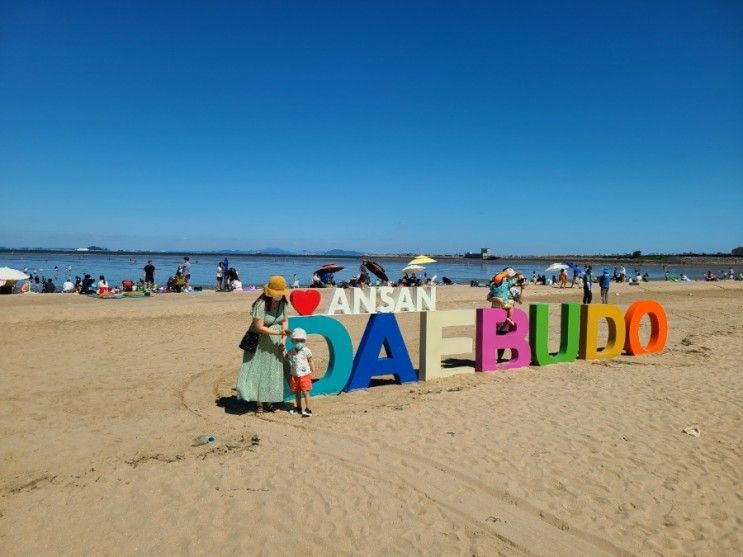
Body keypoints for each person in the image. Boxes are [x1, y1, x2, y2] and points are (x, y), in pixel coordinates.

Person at [235, 275, 291, 414]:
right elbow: (259, 327)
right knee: (259, 371)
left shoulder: (283, 303)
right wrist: (279, 334)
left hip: (275, 342)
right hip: (259, 341)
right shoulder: (261, 304)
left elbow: (285, 321)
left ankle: (269, 400)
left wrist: (283, 339)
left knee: (273, 372)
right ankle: (259, 402)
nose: (278, 296)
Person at [285, 328, 315, 417]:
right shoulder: (291, 351)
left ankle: (308, 410)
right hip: (295, 375)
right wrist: (283, 349)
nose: (299, 342)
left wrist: (313, 372)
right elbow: (286, 358)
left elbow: (311, 361)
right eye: (296, 340)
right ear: (292, 341)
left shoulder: (306, 350)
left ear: (304, 340)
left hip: (305, 375)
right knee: (297, 392)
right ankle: (298, 408)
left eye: (301, 340)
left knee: (306, 392)